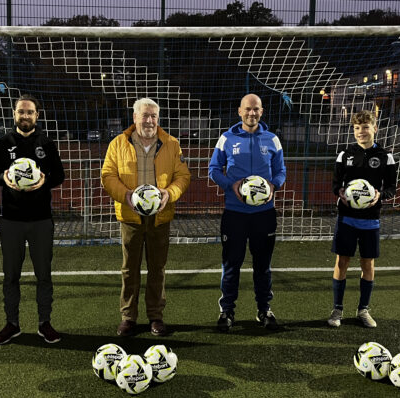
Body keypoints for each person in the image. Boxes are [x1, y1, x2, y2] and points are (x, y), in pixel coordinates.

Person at [100, 98, 191, 337]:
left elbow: (183, 176)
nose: (149, 120)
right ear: (135, 118)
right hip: (130, 216)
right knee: (129, 268)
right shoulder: (118, 144)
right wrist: (126, 195)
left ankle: (156, 317)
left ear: (157, 119)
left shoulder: (171, 144)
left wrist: (169, 194)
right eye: (145, 115)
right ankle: (128, 317)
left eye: (153, 116)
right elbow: (108, 176)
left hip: (160, 217)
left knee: (157, 268)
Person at [0, 95, 67, 344]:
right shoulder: (3, 143)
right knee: (11, 275)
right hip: (11, 220)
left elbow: (59, 175)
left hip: (41, 220)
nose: (25, 116)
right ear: (14, 114)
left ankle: (45, 323)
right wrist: (5, 178)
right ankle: (12, 324)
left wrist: (44, 180)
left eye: (30, 112)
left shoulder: (46, 143)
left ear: (37, 116)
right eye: (21, 112)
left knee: (44, 275)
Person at [207, 94, 287, 332]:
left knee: (263, 264)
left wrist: (274, 185)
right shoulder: (226, 138)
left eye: (256, 110)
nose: (252, 113)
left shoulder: (272, 139)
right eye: (248, 109)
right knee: (231, 264)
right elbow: (213, 169)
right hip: (235, 213)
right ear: (239, 111)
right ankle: (227, 311)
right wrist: (230, 185)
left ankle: (264, 309)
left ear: (262, 112)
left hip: (264, 213)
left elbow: (280, 170)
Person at [329, 111, 399, 328]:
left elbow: (391, 187)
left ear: (374, 129)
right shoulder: (345, 154)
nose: (361, 132)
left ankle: (363, 310)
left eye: (366, 127)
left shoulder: (385, 156)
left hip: (370, 218)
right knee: (342, 262)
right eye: (357, 128)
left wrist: (380, 195)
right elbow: (335, 184)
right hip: (347, 217)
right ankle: (337, 309)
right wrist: (340, 193)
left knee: (367, 263)